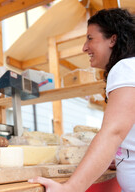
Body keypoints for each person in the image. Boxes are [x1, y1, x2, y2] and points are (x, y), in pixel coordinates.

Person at [28, 8, 135, 192]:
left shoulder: (124, 68)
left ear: (113, 39)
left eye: (90, 38)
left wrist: (72, 187)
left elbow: (113, 132)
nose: (84, 47)